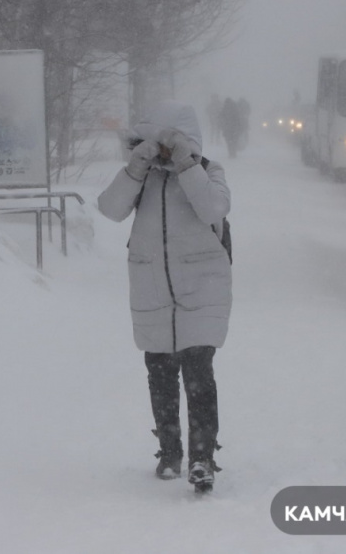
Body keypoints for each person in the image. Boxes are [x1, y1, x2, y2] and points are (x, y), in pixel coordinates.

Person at [97, 100, 232, 494]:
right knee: (159, 373)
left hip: (202, 289)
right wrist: (136, 167)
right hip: (153, 286)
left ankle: (203, 458)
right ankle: (169, 452)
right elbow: (109, 208)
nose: (163, 153)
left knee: (198, 373)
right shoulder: (142, 179)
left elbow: (213, 207)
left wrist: (187, 165)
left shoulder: (208, 171)